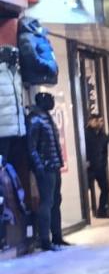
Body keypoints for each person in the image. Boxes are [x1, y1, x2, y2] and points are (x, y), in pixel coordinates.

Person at [29, 92, 67, 251]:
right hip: (45, 168)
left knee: (56, 200)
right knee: (47, 202)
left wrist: (59, 162)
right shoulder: (35, 118)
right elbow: (31, 147)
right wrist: (39, 167)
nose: (52, 102)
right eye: (49, 99)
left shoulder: (47, 117)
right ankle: (45, 240)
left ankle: (57, 236)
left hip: (54, 165)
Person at [85, 114, 109, 219]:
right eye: (98, 121)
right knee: (86, 189)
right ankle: (86, 213)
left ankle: (102, 210)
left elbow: (104, 151)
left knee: (105, 189)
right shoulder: (85, 134)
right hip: (89, 167)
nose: (100, 123)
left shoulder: (103, 136)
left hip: (100, 167)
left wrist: (103, 163)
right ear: (91, 121)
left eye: (101, 121)